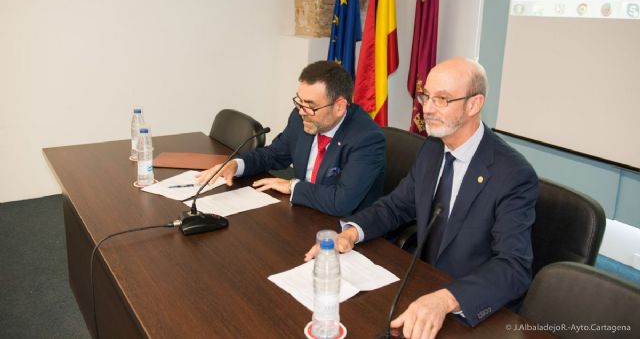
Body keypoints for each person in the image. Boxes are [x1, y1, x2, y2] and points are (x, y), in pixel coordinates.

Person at [304, 58, 538, 339]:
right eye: (426, 96)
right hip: (424, 286)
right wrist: (351, 233)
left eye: (442, 99)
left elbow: (514, 267)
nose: (426, 108)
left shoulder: (513, 174)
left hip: (472, 309)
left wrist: (447, 299)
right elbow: (397, 206)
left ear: (474, 104)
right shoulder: (433, 149)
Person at [197, 60, 385, 217]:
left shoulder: (367, 139)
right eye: (299, 101)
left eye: (310, 105)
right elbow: (273, 155)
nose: (301, 111)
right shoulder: (301, 117)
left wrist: (292, 186)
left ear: (339, 107)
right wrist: (236, 165)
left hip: (346, 231)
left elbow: (341, 202)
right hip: (304, 213)